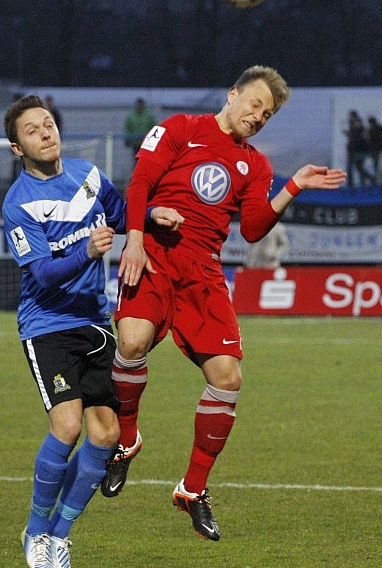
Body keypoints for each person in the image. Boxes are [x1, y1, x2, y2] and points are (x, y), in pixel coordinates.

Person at [104, 66, 345, 541]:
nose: (258, 117)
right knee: (130, 343)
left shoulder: (256, 166)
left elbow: (252, 229)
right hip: (154, 256)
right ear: (233, 94)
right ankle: (126, 439)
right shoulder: (180, 128)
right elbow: (140, 183)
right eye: (255, 104)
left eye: (267, 115)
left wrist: (293, 186)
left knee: (228, 379)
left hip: (204, 273)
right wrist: (134, 239)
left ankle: (192, 490)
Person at [1, 95, 182, 568]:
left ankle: (60, 534)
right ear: (17, 148)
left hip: (94, 322)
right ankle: (35, 530)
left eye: (48, 123)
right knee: (67, 426)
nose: (45, 132)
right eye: (33, 130)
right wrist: (85, 252)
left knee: (105, 434)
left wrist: (154, 214)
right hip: (47, 325)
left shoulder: (88, 175)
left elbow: (122, 215)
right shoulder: (19, 203)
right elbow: (42, 273)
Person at [347, 113, 373, 186]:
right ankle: (367, 180)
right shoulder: (355, 131)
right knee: (359, 168)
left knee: (359, 167)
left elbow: (364, 141)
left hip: (361, 151)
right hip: (356, 151)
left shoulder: (362, 131)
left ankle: (366, 181)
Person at [367, 116, 382, 181]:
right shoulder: (380, 128)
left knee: (376, 165)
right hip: (378, 149)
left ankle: (377, 179)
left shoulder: (372, 129)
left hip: (375, 149)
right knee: (378, 165)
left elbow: (371, 139)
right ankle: (378, 179)